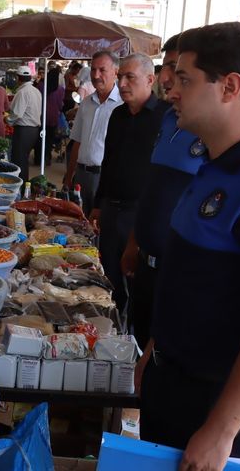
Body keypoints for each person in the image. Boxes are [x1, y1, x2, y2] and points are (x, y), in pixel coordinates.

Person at [137, 22, 240, 471]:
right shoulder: (211, 161)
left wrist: (222, 431)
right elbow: (190, 277)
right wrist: (155, 349)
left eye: (184, 79)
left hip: (219, 403)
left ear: (230, 87)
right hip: (172, 379)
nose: (171, 90)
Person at [120, 34, 207, 349]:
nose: (167, 78)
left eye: (176, 69)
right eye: (167, 67)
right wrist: (135, 242)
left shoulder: (212, 133)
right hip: (146, 265)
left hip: (178, 278)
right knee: (141, 345)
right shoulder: (169, 119)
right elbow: (152, 191)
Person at [90, 53, 166, 316]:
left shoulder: (165, 118)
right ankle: (112, 325)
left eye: (129, 77)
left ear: (149, 80)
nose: (121, 83)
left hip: (140, 213)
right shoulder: (118, 115)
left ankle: (134, 332)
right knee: (108, 272)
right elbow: (107, 162)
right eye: (120, 76)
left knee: (137, 277)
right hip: (112, 208)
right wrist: (98, 205)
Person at [63, 50, 122, 216]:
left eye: (102, 70)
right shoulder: (86, 103)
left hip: (105, 178)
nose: (96, 75)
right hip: (81, 175)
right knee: (78, 224)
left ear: (115, 72)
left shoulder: (122, 106)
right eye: (93, 69)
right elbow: (77, 141)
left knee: (99, 226)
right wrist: (69, 176)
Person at [8, 65, 42, 186]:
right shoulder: (36, 91)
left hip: (24, 130)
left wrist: (7, 120)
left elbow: (17, 113)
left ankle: (20, 188)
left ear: (19, 78)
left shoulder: (22, 92)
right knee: (23, 159)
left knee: (19, 161)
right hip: (34, 130)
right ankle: (24, 187)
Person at [32, 65, 65, 166]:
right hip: (53, 118)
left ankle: (38, 159)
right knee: (49, 139)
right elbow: (60, 105)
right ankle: (47, 158)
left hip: (41, 116)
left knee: (39, 138)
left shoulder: (41, 86)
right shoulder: (60, 89)